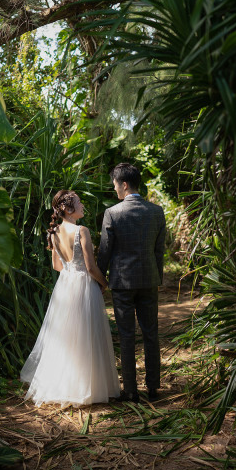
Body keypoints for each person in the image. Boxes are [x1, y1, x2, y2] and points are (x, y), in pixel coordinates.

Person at [20, 190, 121, 407]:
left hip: (65, 285)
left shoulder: (54, 232)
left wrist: (70, 270)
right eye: (79, 202)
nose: (83, 205)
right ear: (67, 208)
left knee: (66, 337)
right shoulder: (81, 231)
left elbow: (57, 266)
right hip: (84, 284)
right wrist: (105, 284)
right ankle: (87, 388)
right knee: (86, 334)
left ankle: (64, 386)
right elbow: (92, 267)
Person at [97, 163, 166, 403]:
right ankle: (154, 388)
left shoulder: (113, 213)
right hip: (149, 280)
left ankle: (131, 391)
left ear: (124, 185)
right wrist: (157, 276)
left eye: (115, 184)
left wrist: (100, 278)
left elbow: (105, 251)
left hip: (122, 283)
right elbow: (159, 250)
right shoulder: (156, 211)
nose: (114, 188)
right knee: (151, 334)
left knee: (126, 336)